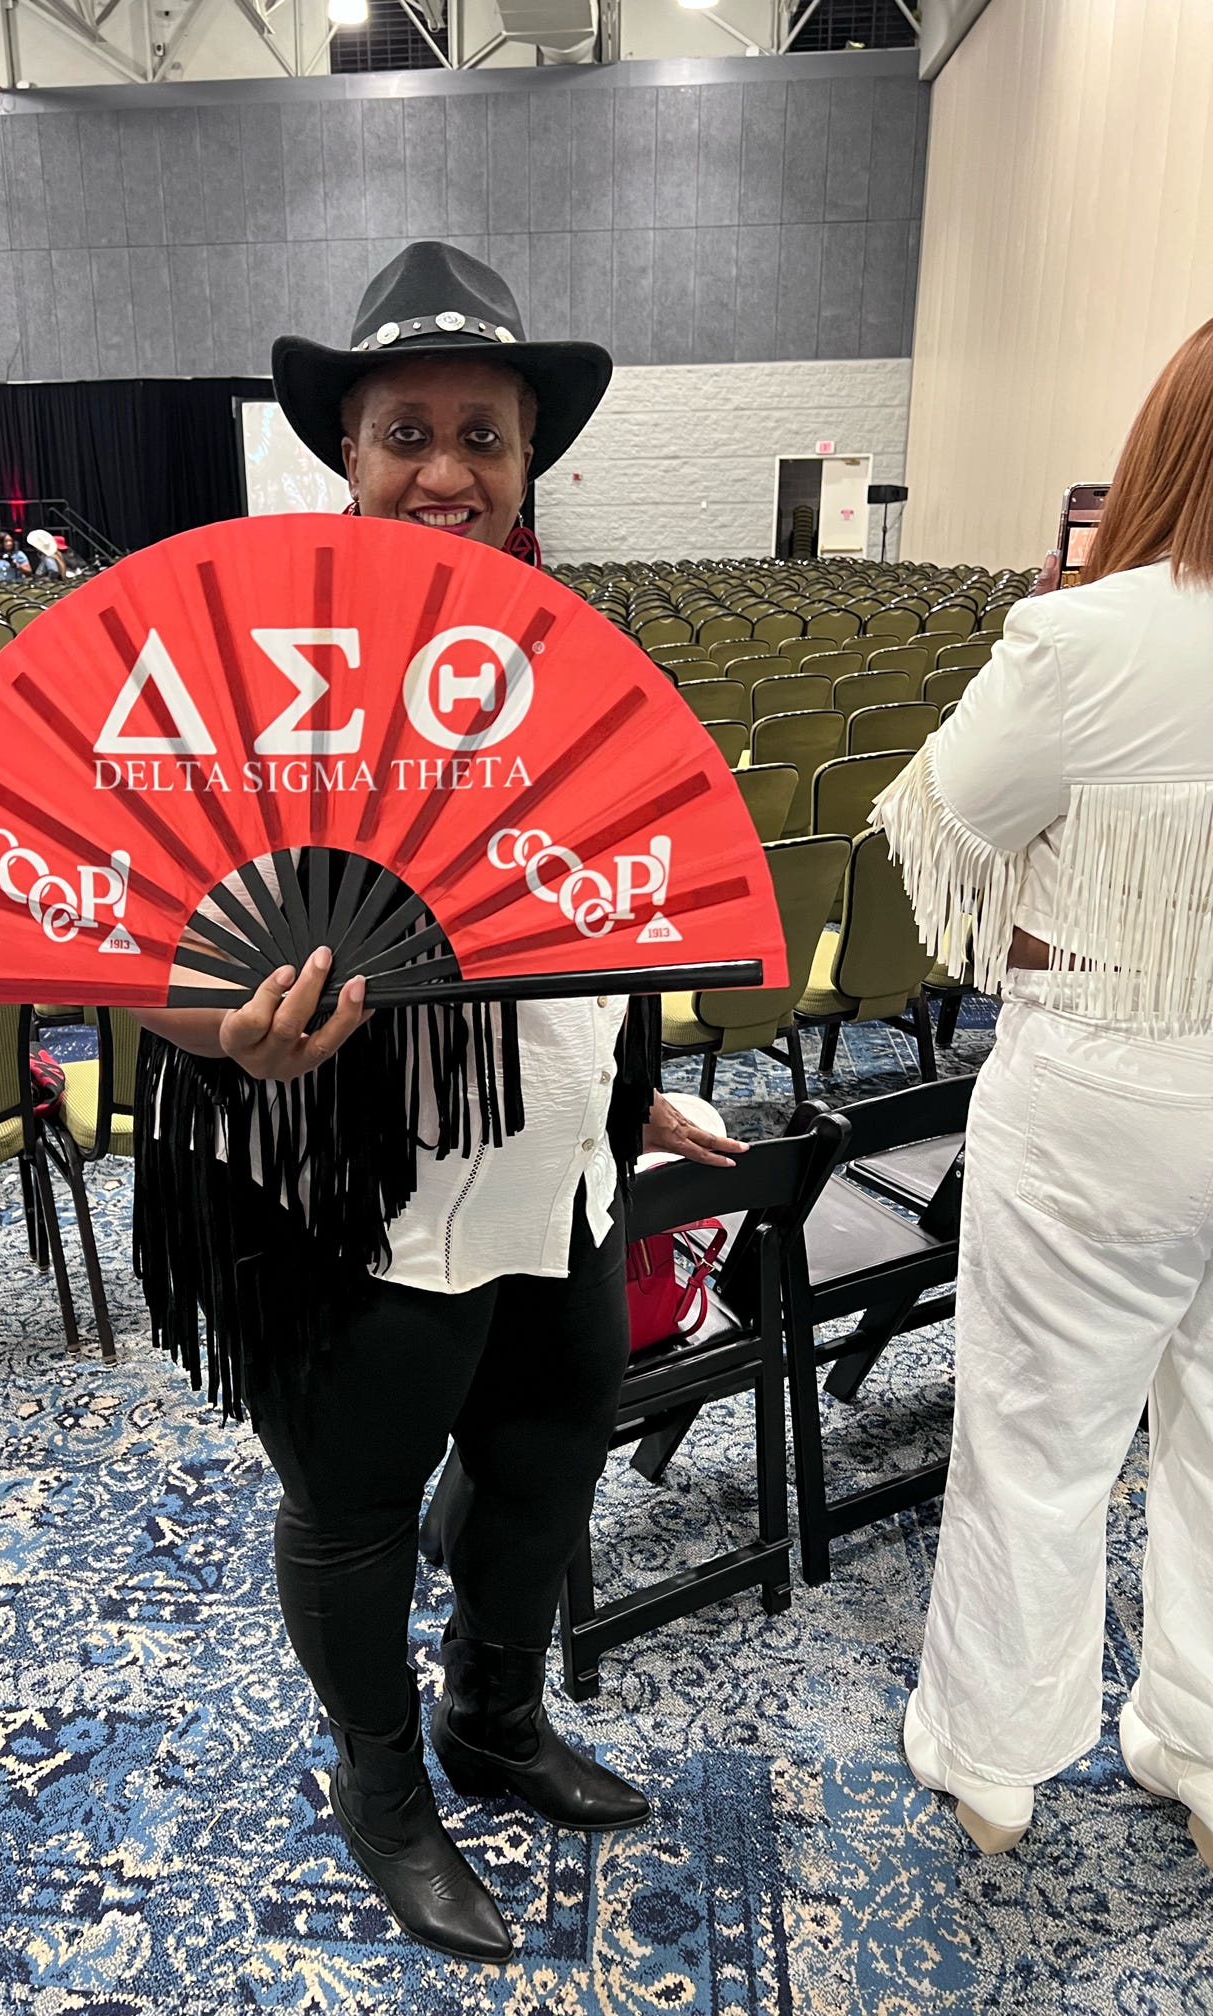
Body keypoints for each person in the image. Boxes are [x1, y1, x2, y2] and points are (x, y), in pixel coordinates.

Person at [128, 242, 747, 1964]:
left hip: (556, 1172)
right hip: (346, 1190)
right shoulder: (246, 666)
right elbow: (107, 926)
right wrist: (221, 1031)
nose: (448, 472)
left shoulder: (588, 658)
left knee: (545, 1468)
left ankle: (493, 1720)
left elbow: (602, 922)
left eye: (485, 433)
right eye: (408, 432)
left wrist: (632, 1096)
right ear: (348, 451)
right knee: (357, 1509)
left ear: (531, 455)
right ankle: (383, 1789)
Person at [875, 319, 1213, 1866]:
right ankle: (1200, 1752)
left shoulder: (1083, 638)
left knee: (1037, 1434)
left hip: (1102, 1081)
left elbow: (938, 836)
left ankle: (997, 1764)